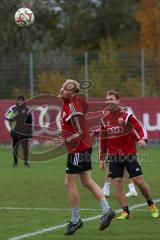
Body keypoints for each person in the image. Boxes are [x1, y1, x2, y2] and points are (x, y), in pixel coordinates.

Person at [55, 79, 115, 235]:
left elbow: (81, 132)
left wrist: (65, 139)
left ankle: (75, 221)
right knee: (87, 181)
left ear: (73, 93)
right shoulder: (72, 102)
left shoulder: (73, 107)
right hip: (84, 148)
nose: (61, 90)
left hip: (78, 149)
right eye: (62, 87)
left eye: (65, 89)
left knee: (69, 183)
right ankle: (107, 210)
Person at [99, 89, 158, 220]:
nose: (108, 102)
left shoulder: (126, 116)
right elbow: (103, 139)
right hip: (114, 156)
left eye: (111, 99)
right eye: (107, 99)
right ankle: (125, 212)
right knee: (117, 183)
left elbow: (140, 127)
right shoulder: (104, 120)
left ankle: (151, 204)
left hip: (129, 154)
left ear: (118, 101)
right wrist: (101, 157)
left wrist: (143, 139)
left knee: (139, 182)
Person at [5, 95, 33, 167]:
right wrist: (10, 128)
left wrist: (30, 133)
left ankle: (26, 162)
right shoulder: (13, 109)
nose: (20, 101)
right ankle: (15, 163)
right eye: (19, 100)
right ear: (17, 101)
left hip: (25, 132)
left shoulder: (27, 110)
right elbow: (6, 118)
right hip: (15, 132)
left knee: (25, 148)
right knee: (15, 148)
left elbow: (30, 122)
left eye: (22, 100)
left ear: (24, 101)